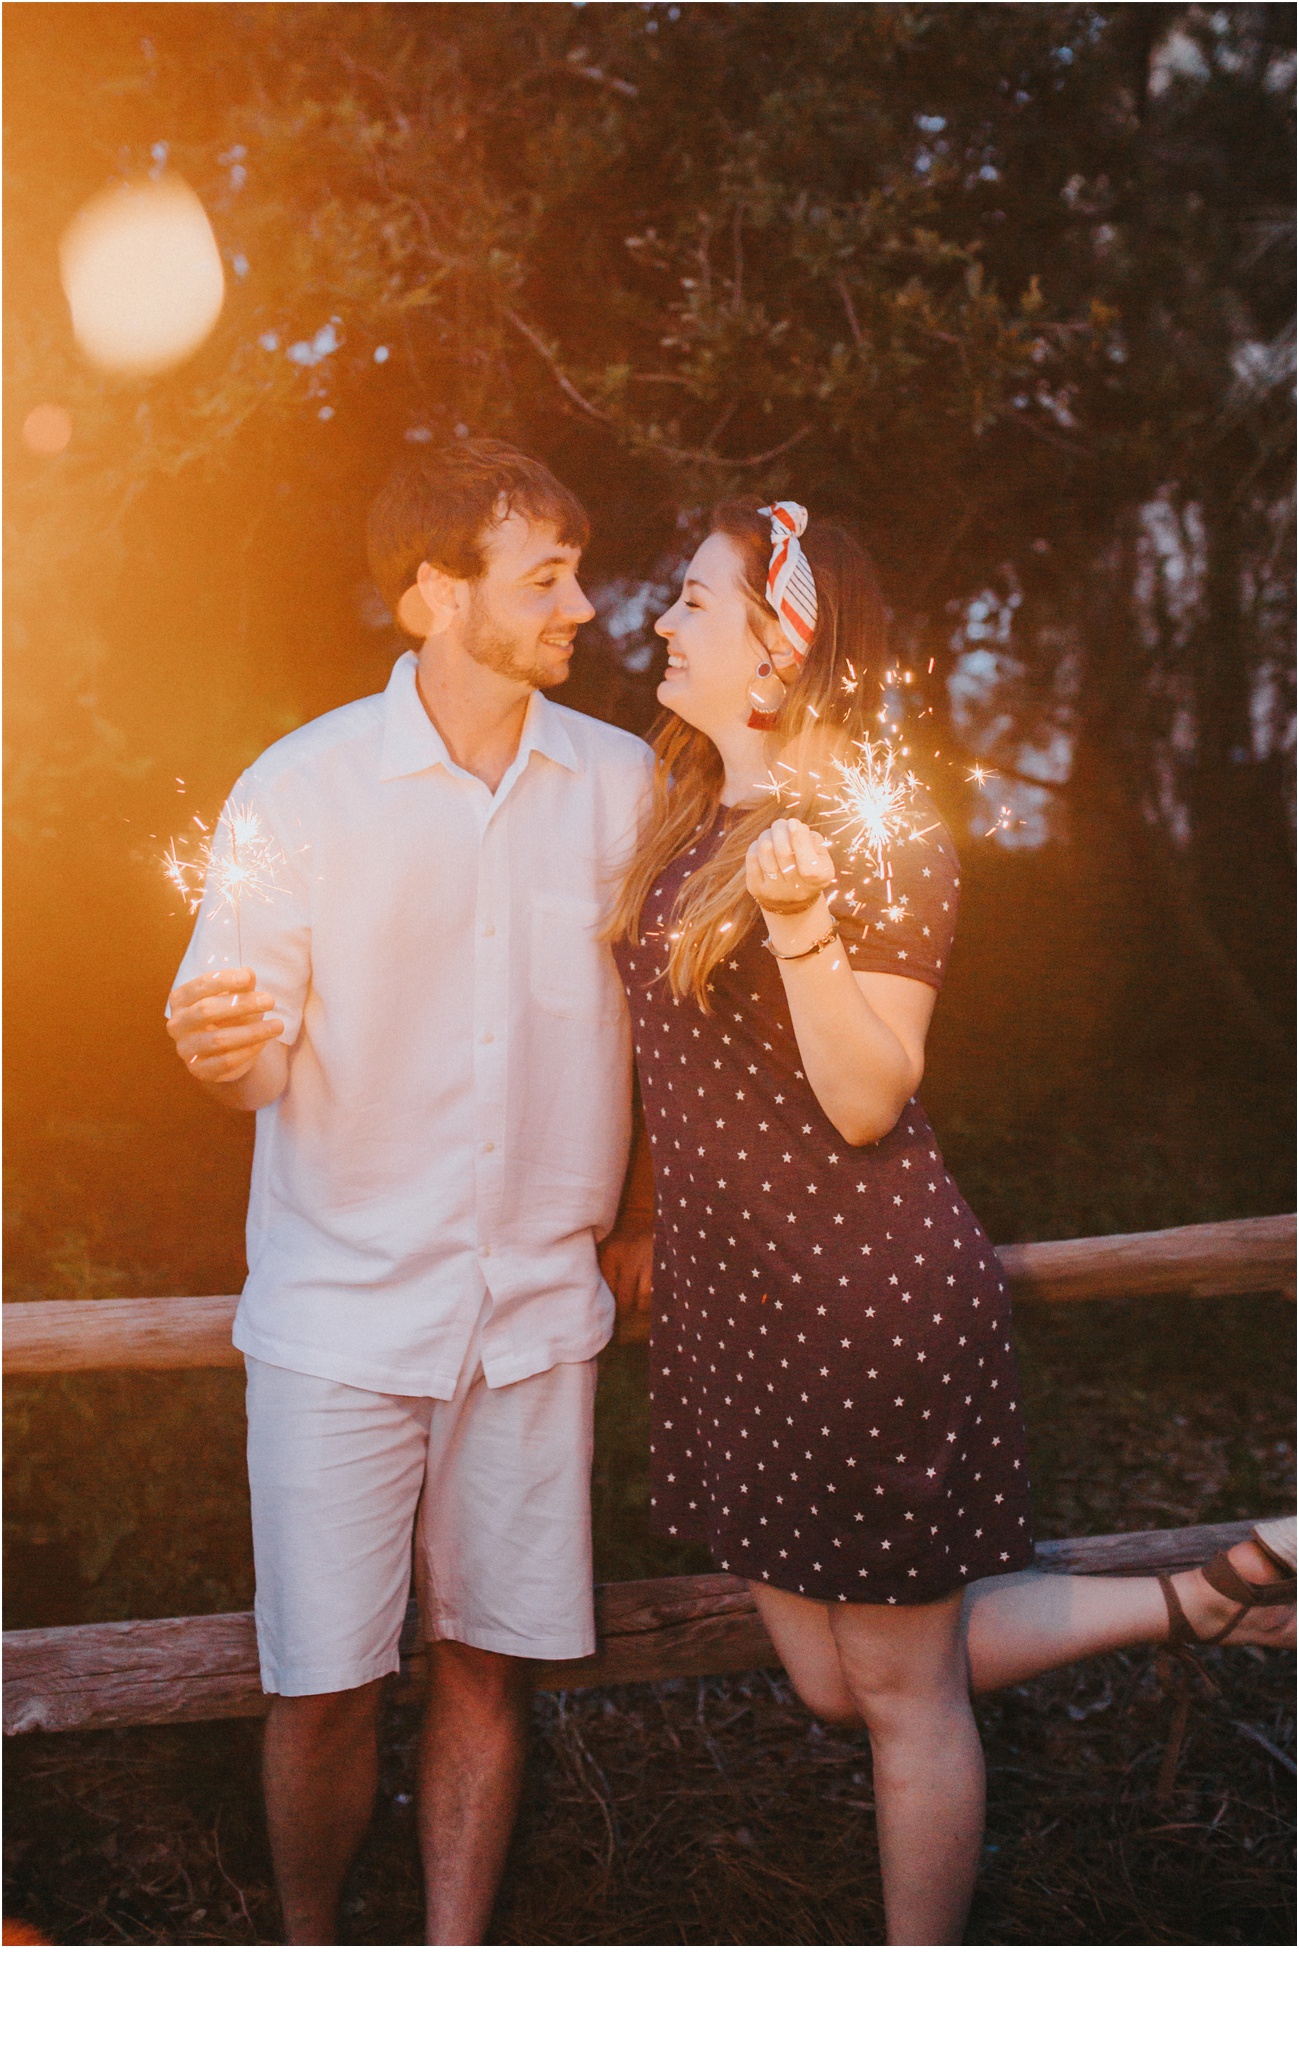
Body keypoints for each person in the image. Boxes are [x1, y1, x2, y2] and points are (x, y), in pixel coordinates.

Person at [603, 496, 1296, 1946]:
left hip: (861, 1301)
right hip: (736, 1315)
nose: (664, 621)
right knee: (825, 1679)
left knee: (905, 1696)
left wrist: (802, 929)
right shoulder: (687, 812)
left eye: (696, 602)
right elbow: (676, 1070)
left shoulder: (880, 826)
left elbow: (866, 1097)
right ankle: (1200, 1602)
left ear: (780, 650)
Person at [165, 439, 654, 1944]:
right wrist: (215, 1050)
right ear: (435, 597)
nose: (582, 605)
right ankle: (317, 1975)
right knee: (320, 1682)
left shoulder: (625, 789)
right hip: (337, 1322)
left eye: (577, 570)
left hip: (534, 1320)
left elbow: (695, 1037)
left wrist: (648, 1231)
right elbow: (235, 1042)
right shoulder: (296, 789)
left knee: (490, 1668)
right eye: (546, 577)